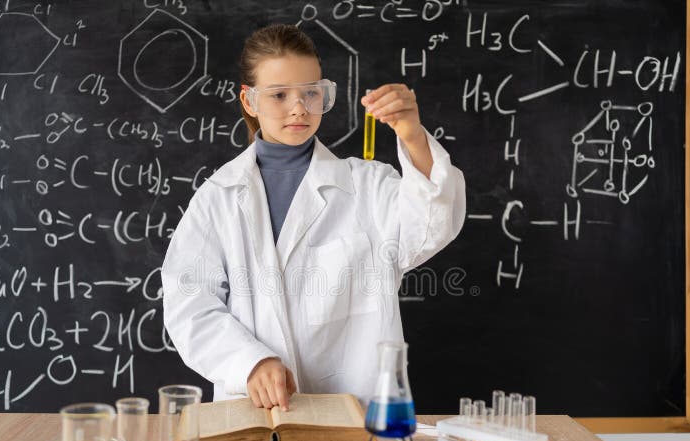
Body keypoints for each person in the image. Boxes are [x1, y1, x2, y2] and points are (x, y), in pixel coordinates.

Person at [161, 24, 466, 411]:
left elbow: (431, 225)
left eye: (311, 92)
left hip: (356, 418)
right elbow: (190, 303)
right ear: (250, 100)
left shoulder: (366, 186)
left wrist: (412, 135)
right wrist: (250, 362)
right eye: (279, 95)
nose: (299, 107)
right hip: (256, 416)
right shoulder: (217, 199)